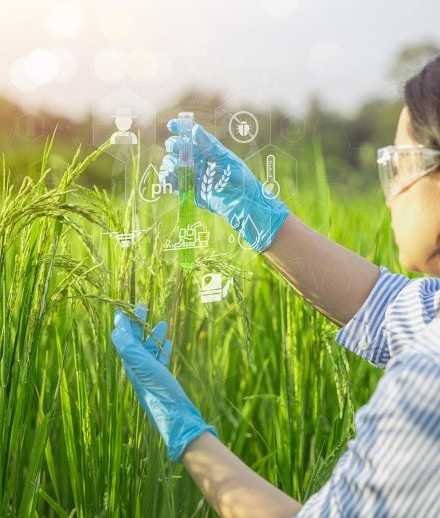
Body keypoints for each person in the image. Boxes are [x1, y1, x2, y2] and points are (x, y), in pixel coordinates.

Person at [110, 55, 440, 517]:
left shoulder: (428, 383)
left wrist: (185, 433)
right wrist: (261, 217)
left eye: (401, 163)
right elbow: (390, 309)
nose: (391, 190)